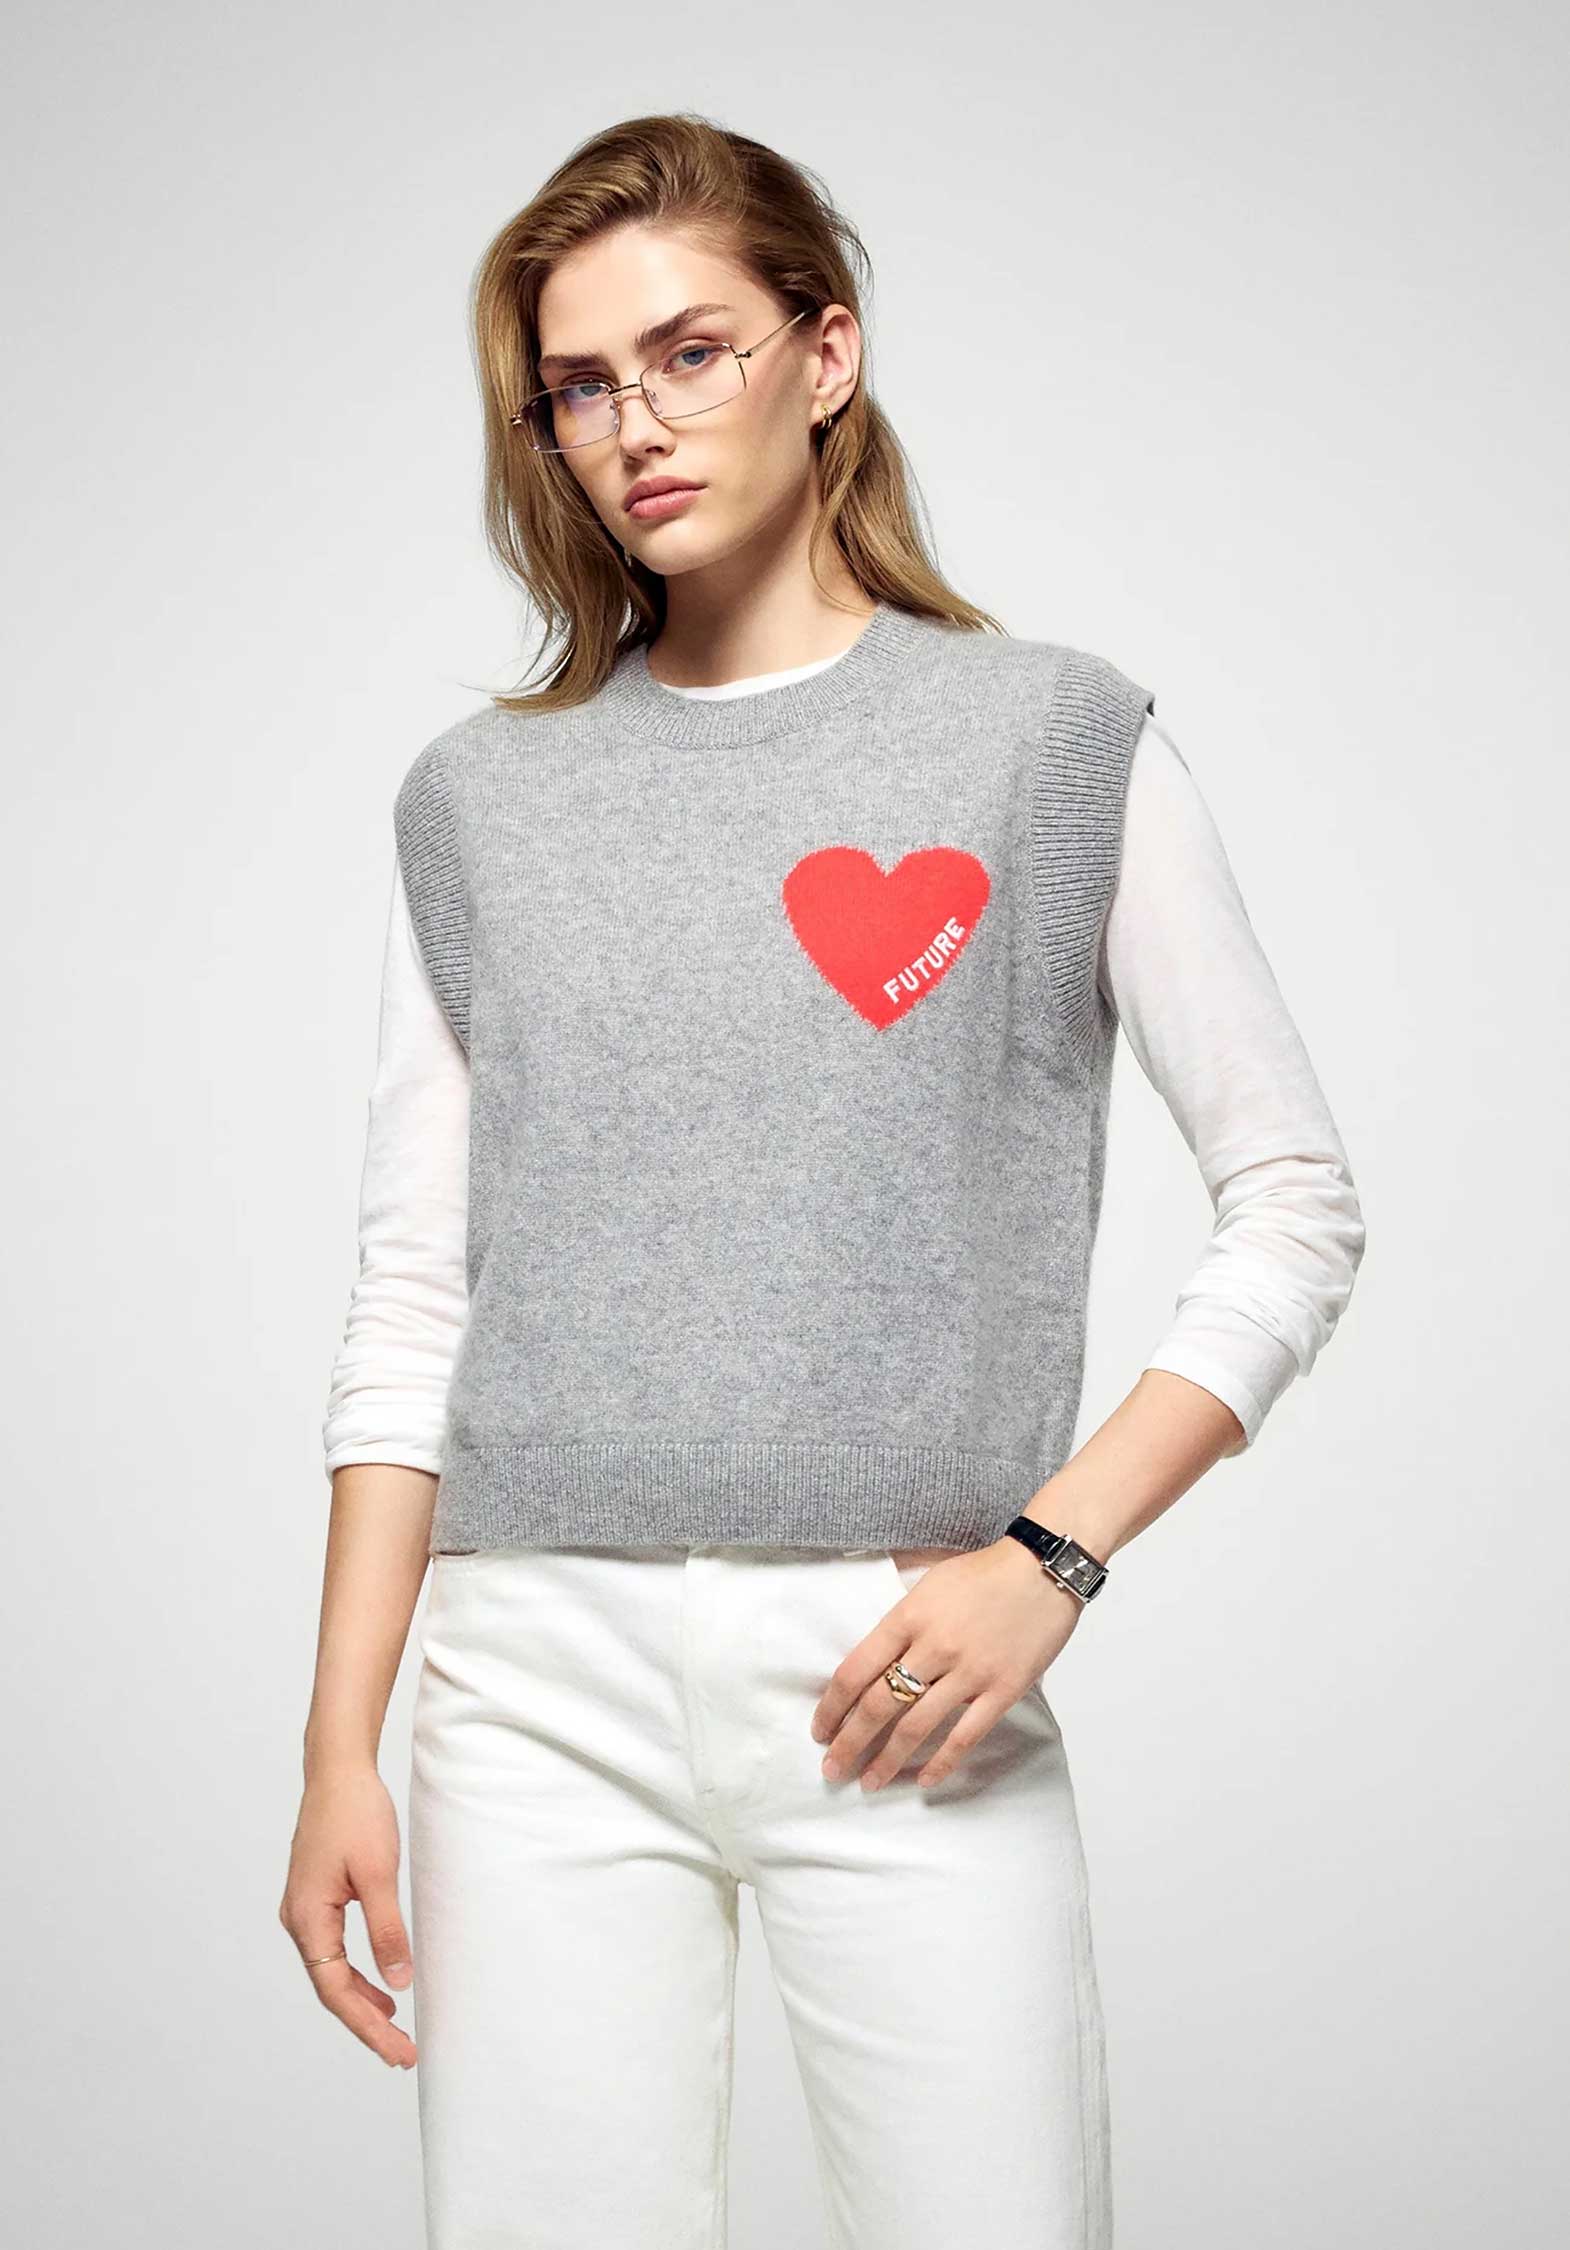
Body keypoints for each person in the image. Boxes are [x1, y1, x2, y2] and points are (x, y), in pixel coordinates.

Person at [281, 112, 1366, 2250]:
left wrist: (1048, 1555)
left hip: (903, 1666)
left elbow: (1294, 1202)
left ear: (826, 351)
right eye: (577, 386)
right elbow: (414, 1292)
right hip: (528, 1686)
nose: (632, 426)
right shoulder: (481, 800)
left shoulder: (1049, 742)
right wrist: (339, 1747)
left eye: (689, 353)